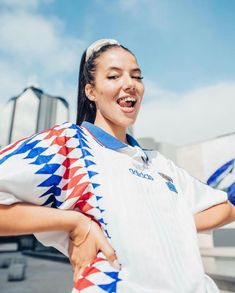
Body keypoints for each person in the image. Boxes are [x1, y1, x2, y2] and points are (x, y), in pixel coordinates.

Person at [0, 39, 234, 293]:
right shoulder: (69, 144)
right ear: (91, 91)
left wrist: (167, 221)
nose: (129, 84)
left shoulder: (158, 163)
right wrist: (76, 222)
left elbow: (224, 208)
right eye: (113, 76)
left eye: (136, 76)